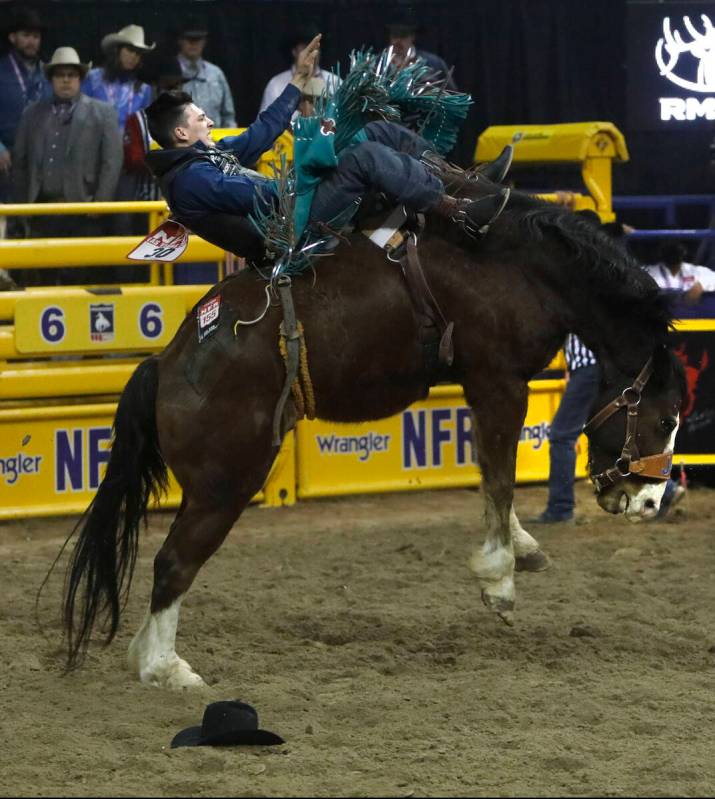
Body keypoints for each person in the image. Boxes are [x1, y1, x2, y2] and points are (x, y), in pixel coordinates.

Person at [144, 35, 510, 258]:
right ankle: (458, 212)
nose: (208, 121)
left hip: (294, 206)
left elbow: (262, 132)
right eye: (200, 118)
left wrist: (299, 81)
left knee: (377, 132)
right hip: (290, 229)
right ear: (181, 134)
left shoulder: (207, 156)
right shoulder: (190, 179)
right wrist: (313, 168)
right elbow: (264, 197)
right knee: (361, 156)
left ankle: (460, 180)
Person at [12, 47, 122, 284]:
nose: (65, 80)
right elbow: (20, 162)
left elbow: (112, 162)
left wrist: (100, 204)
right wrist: (21, 206)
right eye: (59, 75)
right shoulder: (32, 113)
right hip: (40, 210)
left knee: (80, 279)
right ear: (51, 79)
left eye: (71, 75)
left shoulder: (102, 113)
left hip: (83, 210)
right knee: (42, 278)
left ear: (80, 79)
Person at [0, 8, 50, 214]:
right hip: (6, 160)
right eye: (26, 35)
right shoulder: (1, 70)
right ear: (13, 37)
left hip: (41, 160)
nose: (32, 41)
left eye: (36, 36)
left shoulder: (47, 73)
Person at [82, 24, 154, 131]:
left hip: (128, 145)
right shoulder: (92, 78)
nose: (134, 56)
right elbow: (81, 116)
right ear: (117, 51)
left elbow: (145, 129)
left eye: (138, 53)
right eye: (130, 50)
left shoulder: (143, 90)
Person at [259, 25, 339, 116]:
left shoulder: (335, 82)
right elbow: (266, 124)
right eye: (306, 47)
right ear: (294, 52)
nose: (311, 52)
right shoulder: (276, 85)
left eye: (316, 48)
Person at [175, 17, 236, 128]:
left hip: (214, 142)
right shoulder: (166, 74)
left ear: (204, 41)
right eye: (189, 38)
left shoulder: (216, 74)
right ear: (180, 40)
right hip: (179, 142)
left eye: (198, 39)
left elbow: (228, 117)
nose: (193, 43)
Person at [385, 15, 457, 90]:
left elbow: (452, 94)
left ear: (412, 36)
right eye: (395, 35)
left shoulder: (434, 63)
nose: (398, 40)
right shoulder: (377, 64)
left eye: (403, 35)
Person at [644, 241, 715, 304]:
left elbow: (712, 277)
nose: (673, 253)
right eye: (669, 250)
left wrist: (701, 285)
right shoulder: (650, 271)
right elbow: (634, 279)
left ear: (683, 252)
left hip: (689, 316)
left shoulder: (693, 270)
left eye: (675, 250)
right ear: (661, 252)